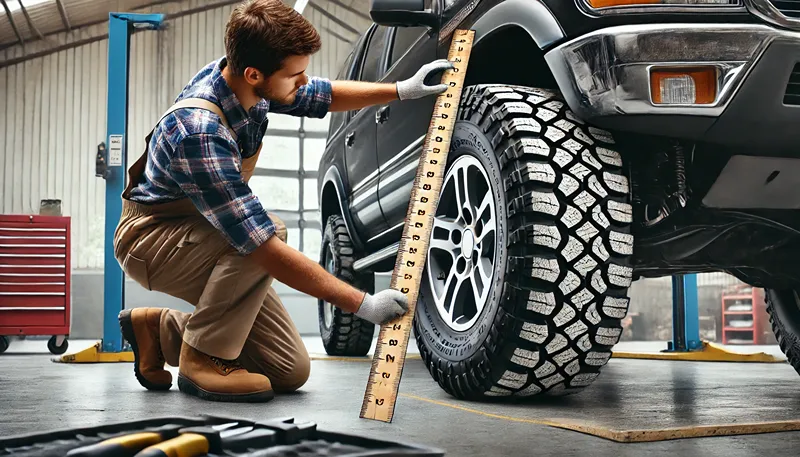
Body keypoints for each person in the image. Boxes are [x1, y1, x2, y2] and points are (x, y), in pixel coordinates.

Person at [113, 0, 453, 403]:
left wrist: (401, 90)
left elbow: (321, 96)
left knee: (288, 370)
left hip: (201, 230)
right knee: (269, 231)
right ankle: (201, 359)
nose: (303, 80)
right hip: (151, 241)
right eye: (295, 73)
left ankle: (159, 330)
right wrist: (362, 304)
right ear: (255, 73)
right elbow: (260, 247)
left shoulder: (247, 82)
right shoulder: (199, 132)